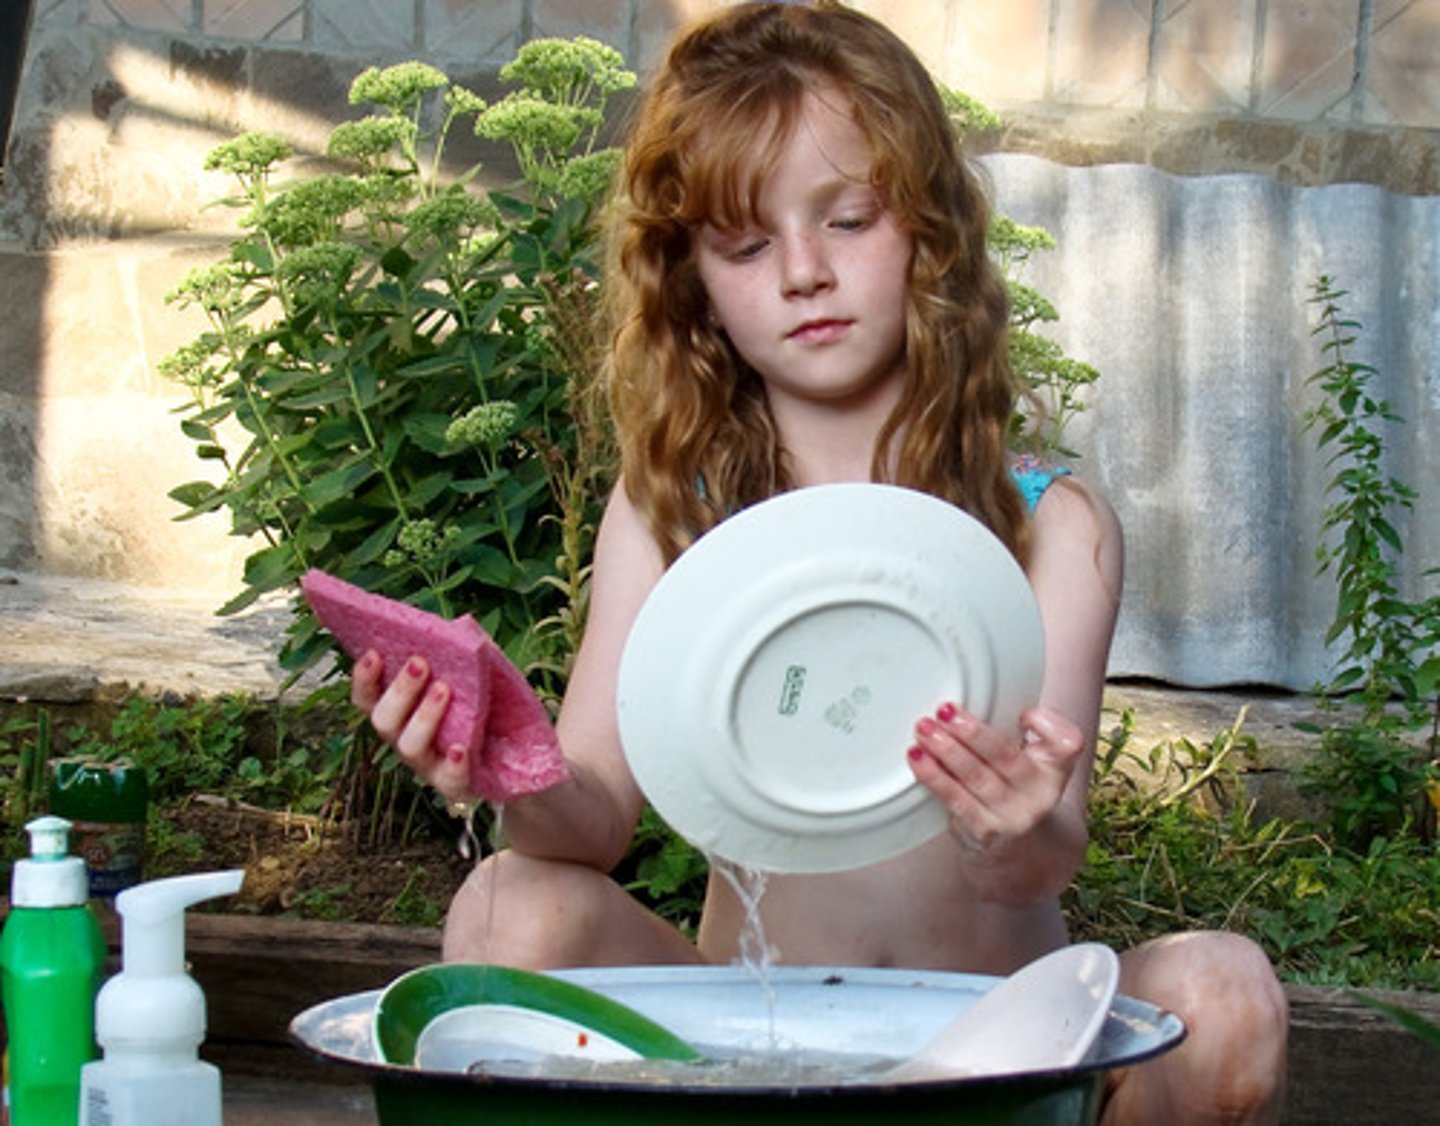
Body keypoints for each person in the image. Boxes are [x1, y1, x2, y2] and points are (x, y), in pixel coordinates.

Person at [354, 3, 1288, 1121]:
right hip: (752, 1054)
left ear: (928, 232)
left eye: (847, 220)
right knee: (513, 905)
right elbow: (591, 823)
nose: (803, 272)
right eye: (747, 244)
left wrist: (1016, 820)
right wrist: (509, 761)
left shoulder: (1049, 524)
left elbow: (1037, 863)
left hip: (999, 1060)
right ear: (692, 277)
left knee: (1223, 988)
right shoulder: (672, 514)